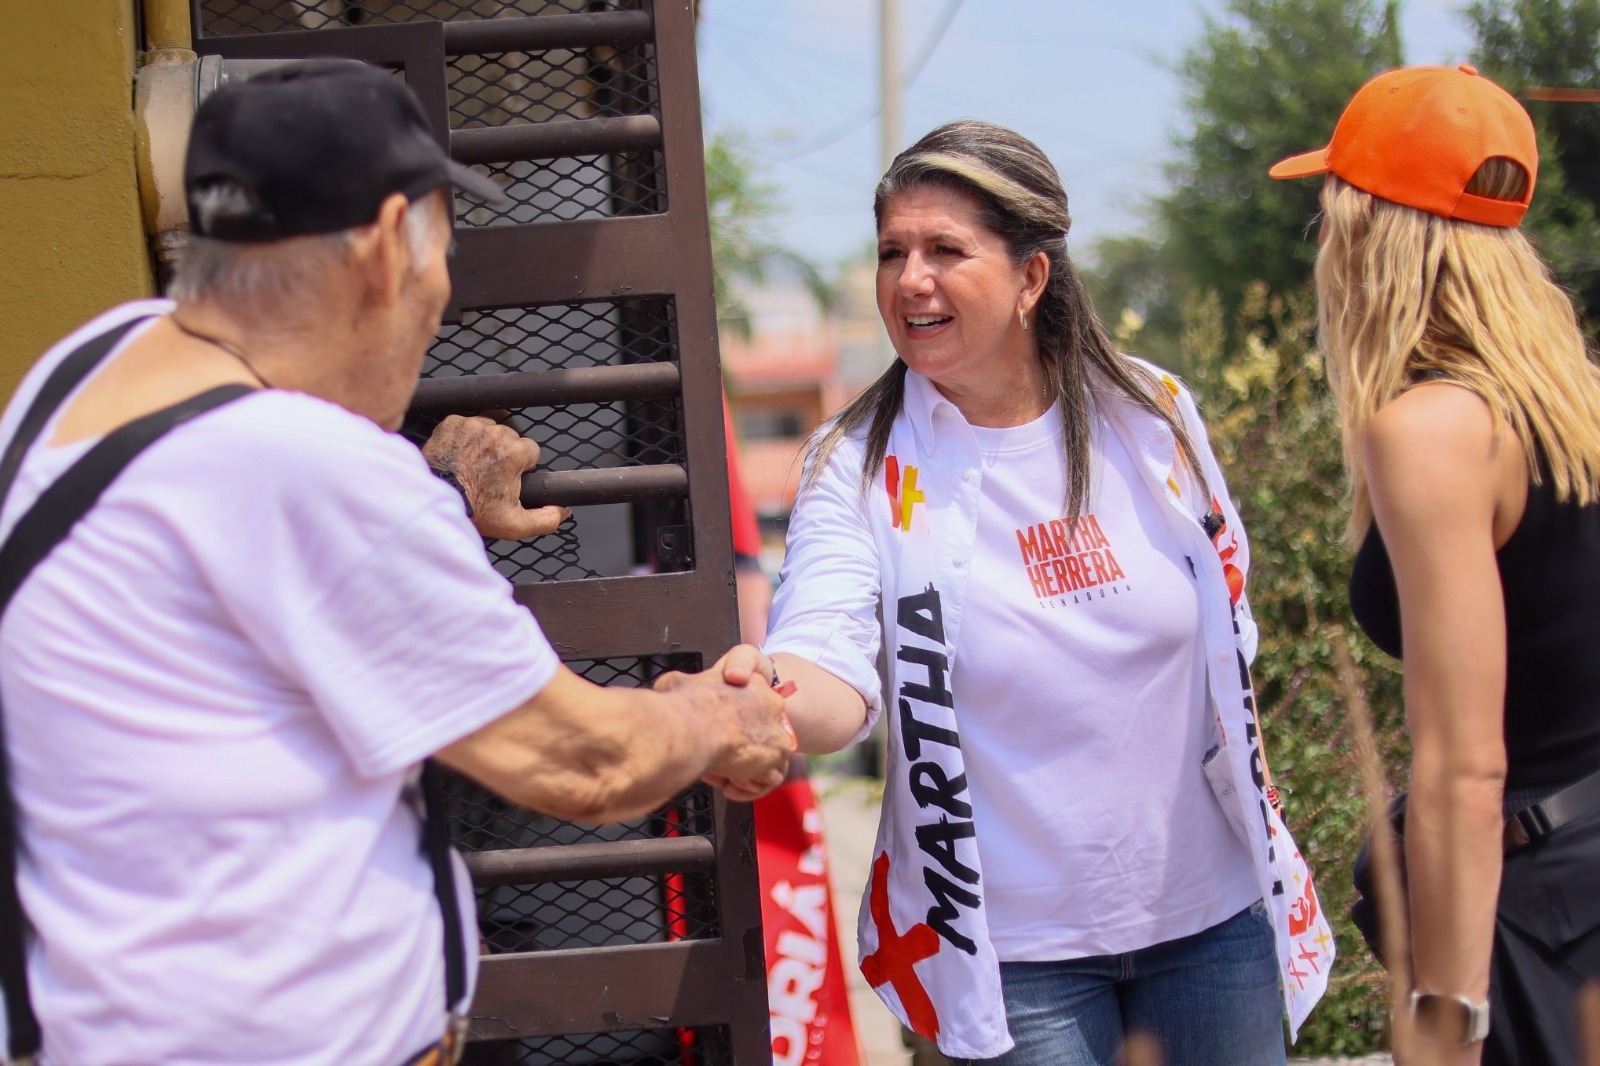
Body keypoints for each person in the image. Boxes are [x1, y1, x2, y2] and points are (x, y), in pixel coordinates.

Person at [0, 60, 792, 1066]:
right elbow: (587, 760)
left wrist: (432, 491)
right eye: (442, 252)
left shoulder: (96, 363)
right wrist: (720, 716)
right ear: (383, 246)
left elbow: (237, 567)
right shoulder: (308, 472)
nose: (439, 292)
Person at [718, 120, 1333, 1066]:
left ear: (1031, 278)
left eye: (944, 250)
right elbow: (829, 651)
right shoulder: (855, 461)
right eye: (892, 252)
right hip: (1012, 960)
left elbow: (1230, 631)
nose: (909, 278)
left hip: (1215, 924)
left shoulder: (1152, 414)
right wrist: (769, 708)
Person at [1271, 64, 1600, 1064]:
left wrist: (1449, 1016)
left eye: (1329, 212)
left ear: (1367, 231)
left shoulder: (1432, 432)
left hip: (1531, 911)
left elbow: (1467, 764)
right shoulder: (1574, 404)